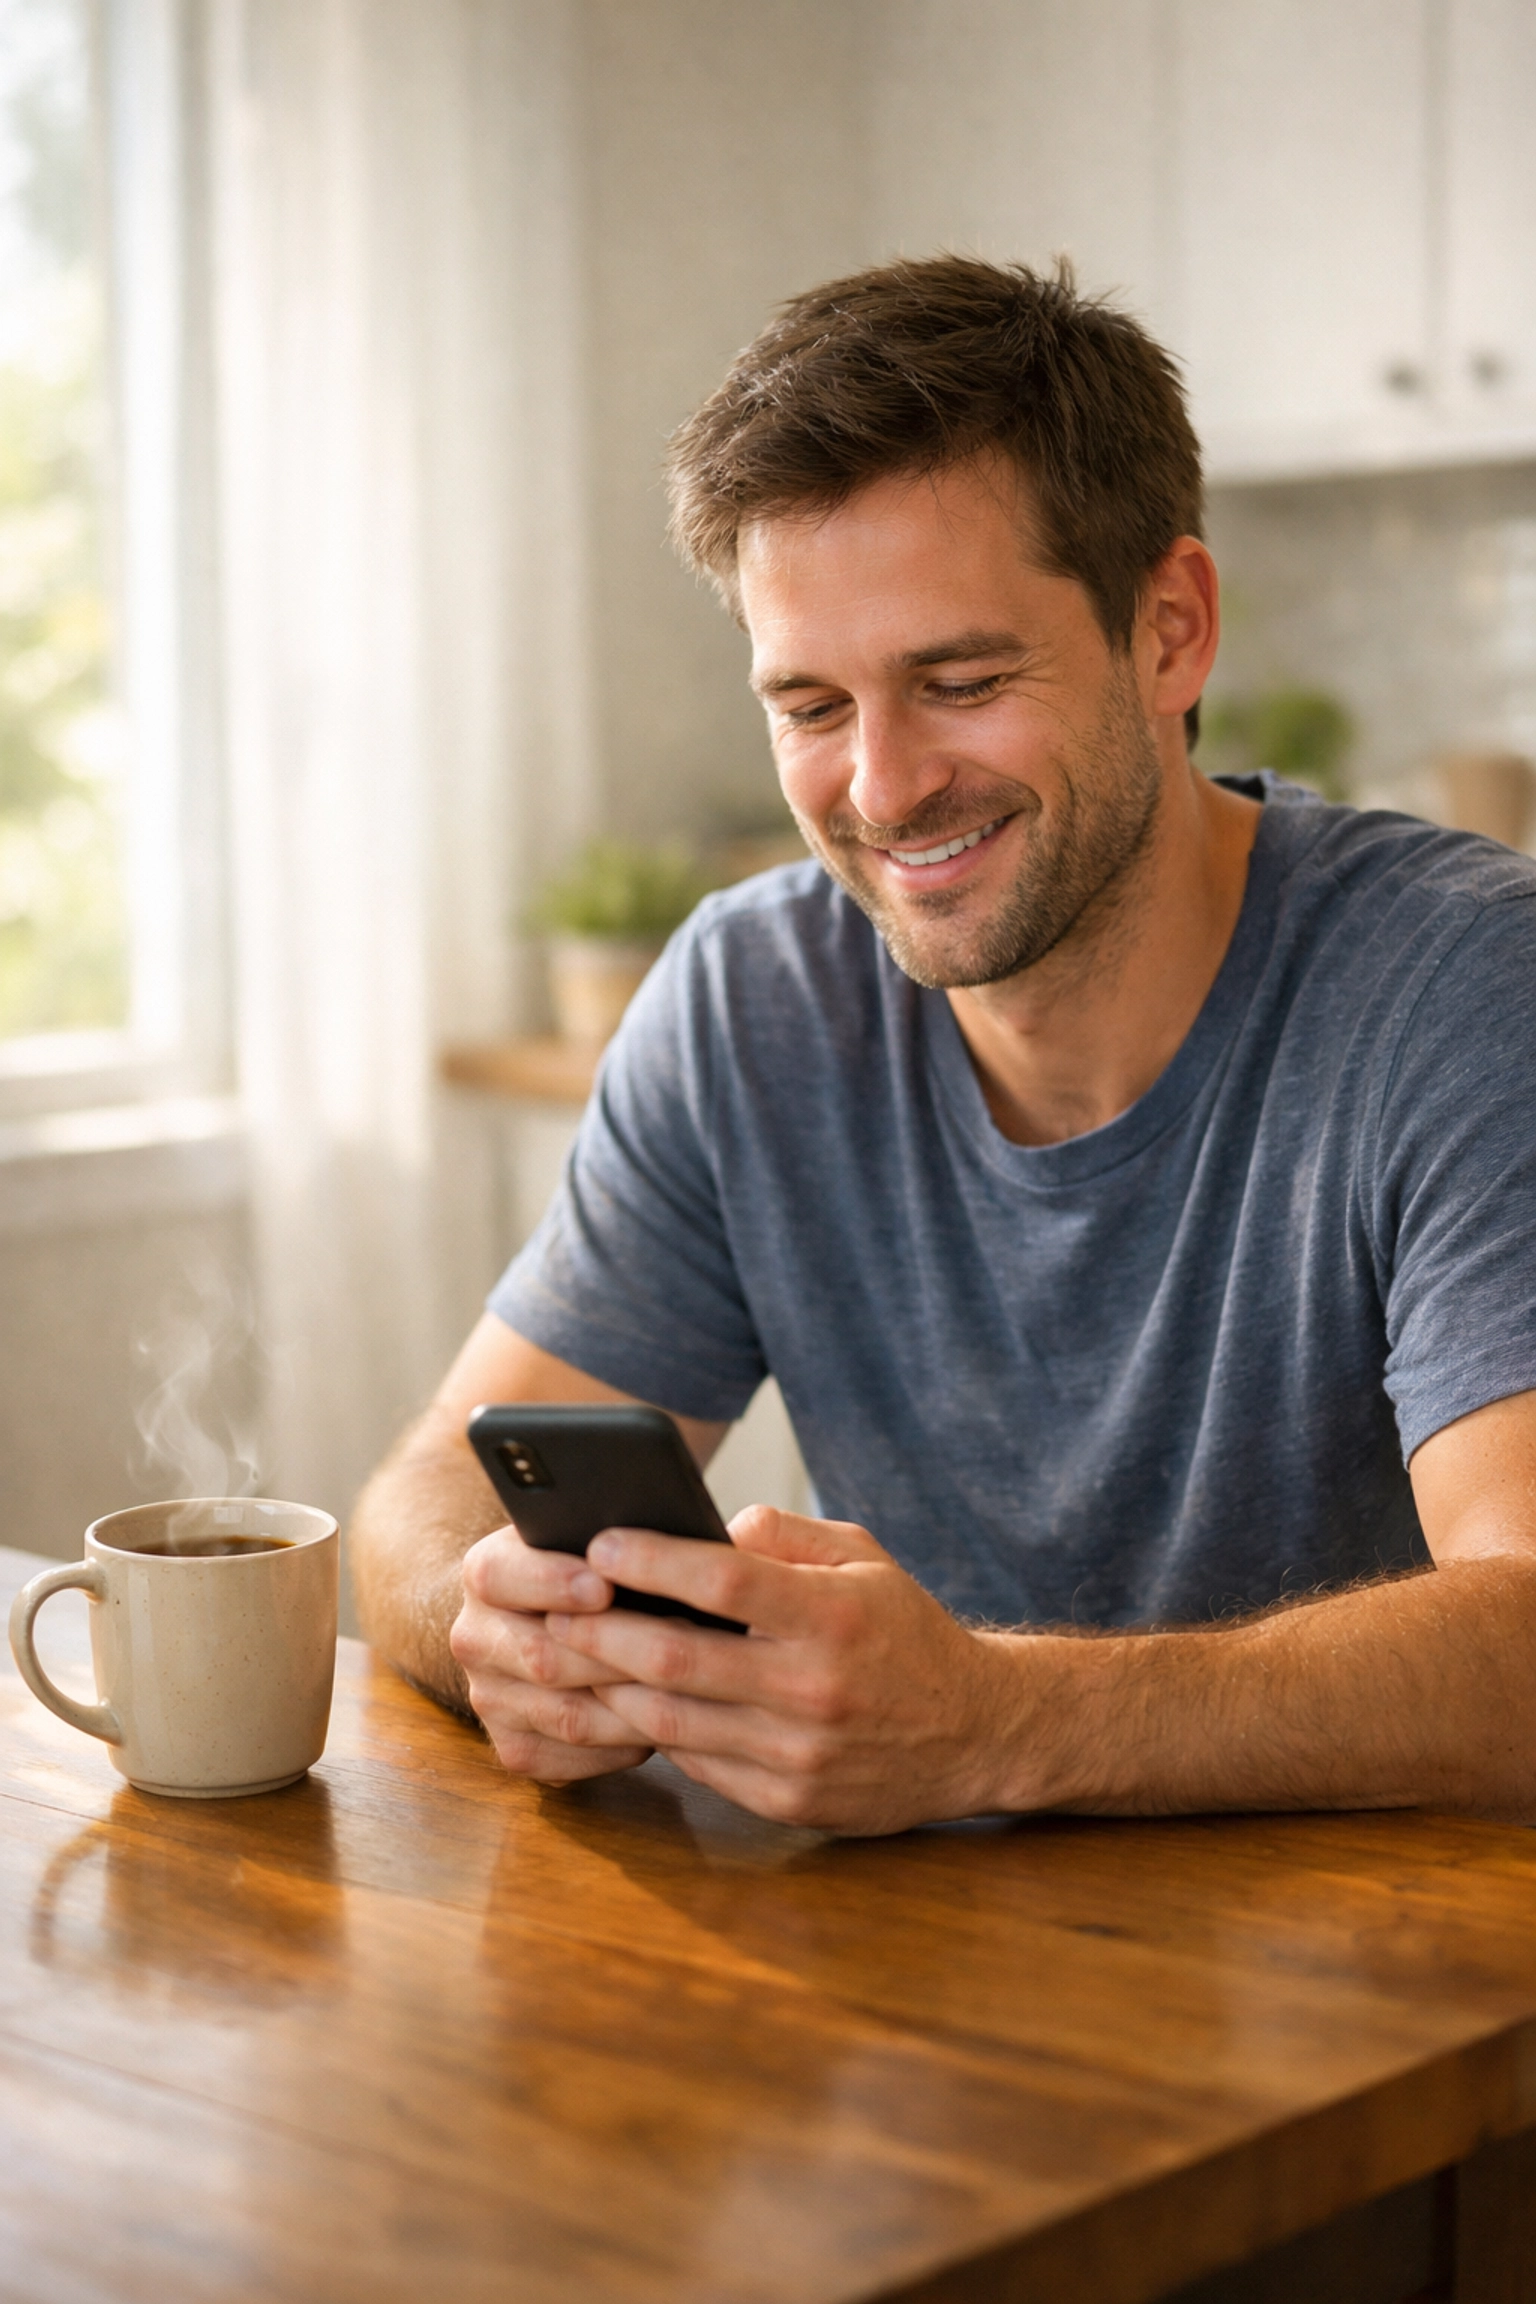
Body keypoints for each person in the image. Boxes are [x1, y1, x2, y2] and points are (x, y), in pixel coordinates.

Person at [351, 256, 1536, 1836]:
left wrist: (997, 1726)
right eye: (811, 705)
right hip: (940, 1994)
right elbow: (431, 1486)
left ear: (1172, 632)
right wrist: (484, 1616)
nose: (885, 787)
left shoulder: (1463, 986)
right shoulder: (748, 1000)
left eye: (960, 682)